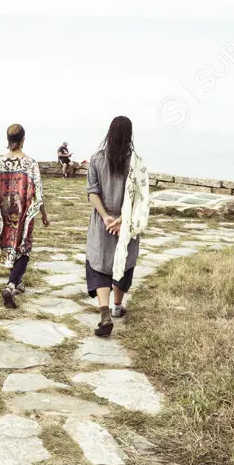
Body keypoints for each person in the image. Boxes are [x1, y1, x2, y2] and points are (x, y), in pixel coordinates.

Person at [84, 116, 151, 337]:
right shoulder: (136, 162)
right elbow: (141, 196)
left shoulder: (96, 159)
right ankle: (117, 306)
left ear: (109, 133)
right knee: (124, 263)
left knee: (98, 265)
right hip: (126, 224)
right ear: (129, 135)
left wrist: (104, 216)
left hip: (101, 224)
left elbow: (92, 192)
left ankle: (105, 312)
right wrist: (122, 218)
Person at [0, 124, 50, 308]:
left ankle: (17, 281)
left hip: (5, 213)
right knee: (24, 247)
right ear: (23, 139)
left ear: (7, 139)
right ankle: (11, 285)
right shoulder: (30, 163)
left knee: (10, 245)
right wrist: (44, 214)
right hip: (24, 212)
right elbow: (38, 193)